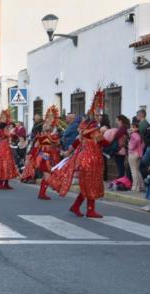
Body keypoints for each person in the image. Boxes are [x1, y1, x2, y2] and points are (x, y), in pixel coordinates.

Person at [49, 90, 108, 218]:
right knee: (90, 184)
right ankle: (89, 210)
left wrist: (68, 152)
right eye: (98, 114)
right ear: (93, 115)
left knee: (87, 185)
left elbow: (76, 142)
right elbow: (103, 142)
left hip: (85, 159)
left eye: (100, 114)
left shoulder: (84, 128)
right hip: (90, 160)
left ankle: (76, 206)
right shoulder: (93, 129)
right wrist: (107, 135)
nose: (100, 116)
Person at [20, 105, 61, 199]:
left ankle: (42, 193)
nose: (48, 121)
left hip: (50, 156)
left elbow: (55, 144)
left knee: (47, 175)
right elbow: (41, 145)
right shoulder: (44, 134)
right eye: (48, 118)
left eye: (51, 118)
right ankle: (57, 187)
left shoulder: (54, 132)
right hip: (44, 157)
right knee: (47, 174)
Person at [0, 111, 18, 189]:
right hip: (1, 149)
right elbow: (8, 135)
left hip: (6, 149)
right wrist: (12, 133)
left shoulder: (5, 128)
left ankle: (6, 183)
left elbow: (12, 135)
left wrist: (13, 133)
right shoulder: (0, 129)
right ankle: (0, 183)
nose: (3, 119)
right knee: (2, 165)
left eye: (4, 117)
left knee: (8, 165)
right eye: (2, 117)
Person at [128, 121, 145, 191]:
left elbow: (137, 140)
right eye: (131, 127)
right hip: (138, 154)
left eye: (132, 127)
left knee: (133, 171)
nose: (131, 128)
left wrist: (131, 147)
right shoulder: (139, 135)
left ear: (136, 128)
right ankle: (141, 186)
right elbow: (143, 144)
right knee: (137, 170)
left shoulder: (134, 134)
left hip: (133, 154)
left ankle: (135, 187)